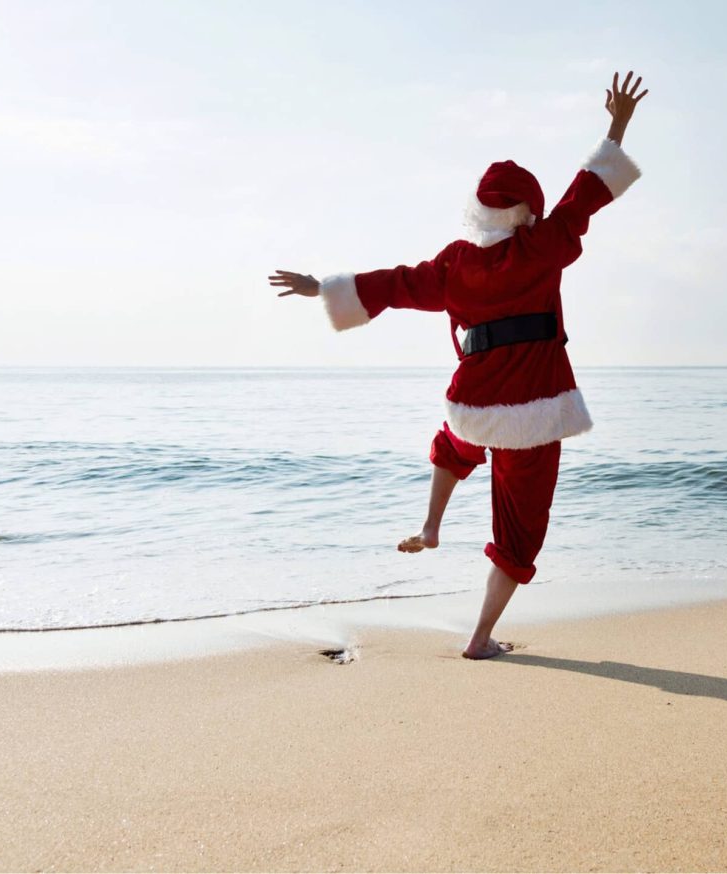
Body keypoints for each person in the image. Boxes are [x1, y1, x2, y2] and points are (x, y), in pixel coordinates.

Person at [270, 71, 648, 659]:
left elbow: (394, 284)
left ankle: (431, 525)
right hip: (536, 409)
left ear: (477, 212)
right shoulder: (540, 246)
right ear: (526, 211)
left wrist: (324, 286)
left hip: (473, 404)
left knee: (455, 443)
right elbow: (586, 194)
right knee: (519, 529)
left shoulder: (455, 264)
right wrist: (618, 123)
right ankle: (478, 638)